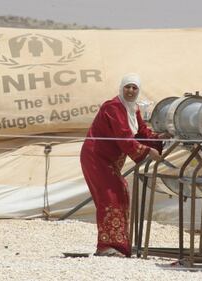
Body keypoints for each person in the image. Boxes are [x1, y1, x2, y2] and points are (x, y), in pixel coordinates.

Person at [80, 73, 168, 257]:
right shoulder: (112, 107)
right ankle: (106, 246)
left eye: (134, 87)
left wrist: (160, 139)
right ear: (121, 88)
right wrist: (146, 151)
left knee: (120, 192)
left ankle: (117, 244)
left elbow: (142, 133)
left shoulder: (132, 110)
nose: (130, 90)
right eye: (127, 86)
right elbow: (124, 137)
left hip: (109, 161)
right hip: (96, 158)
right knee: (110, 197)